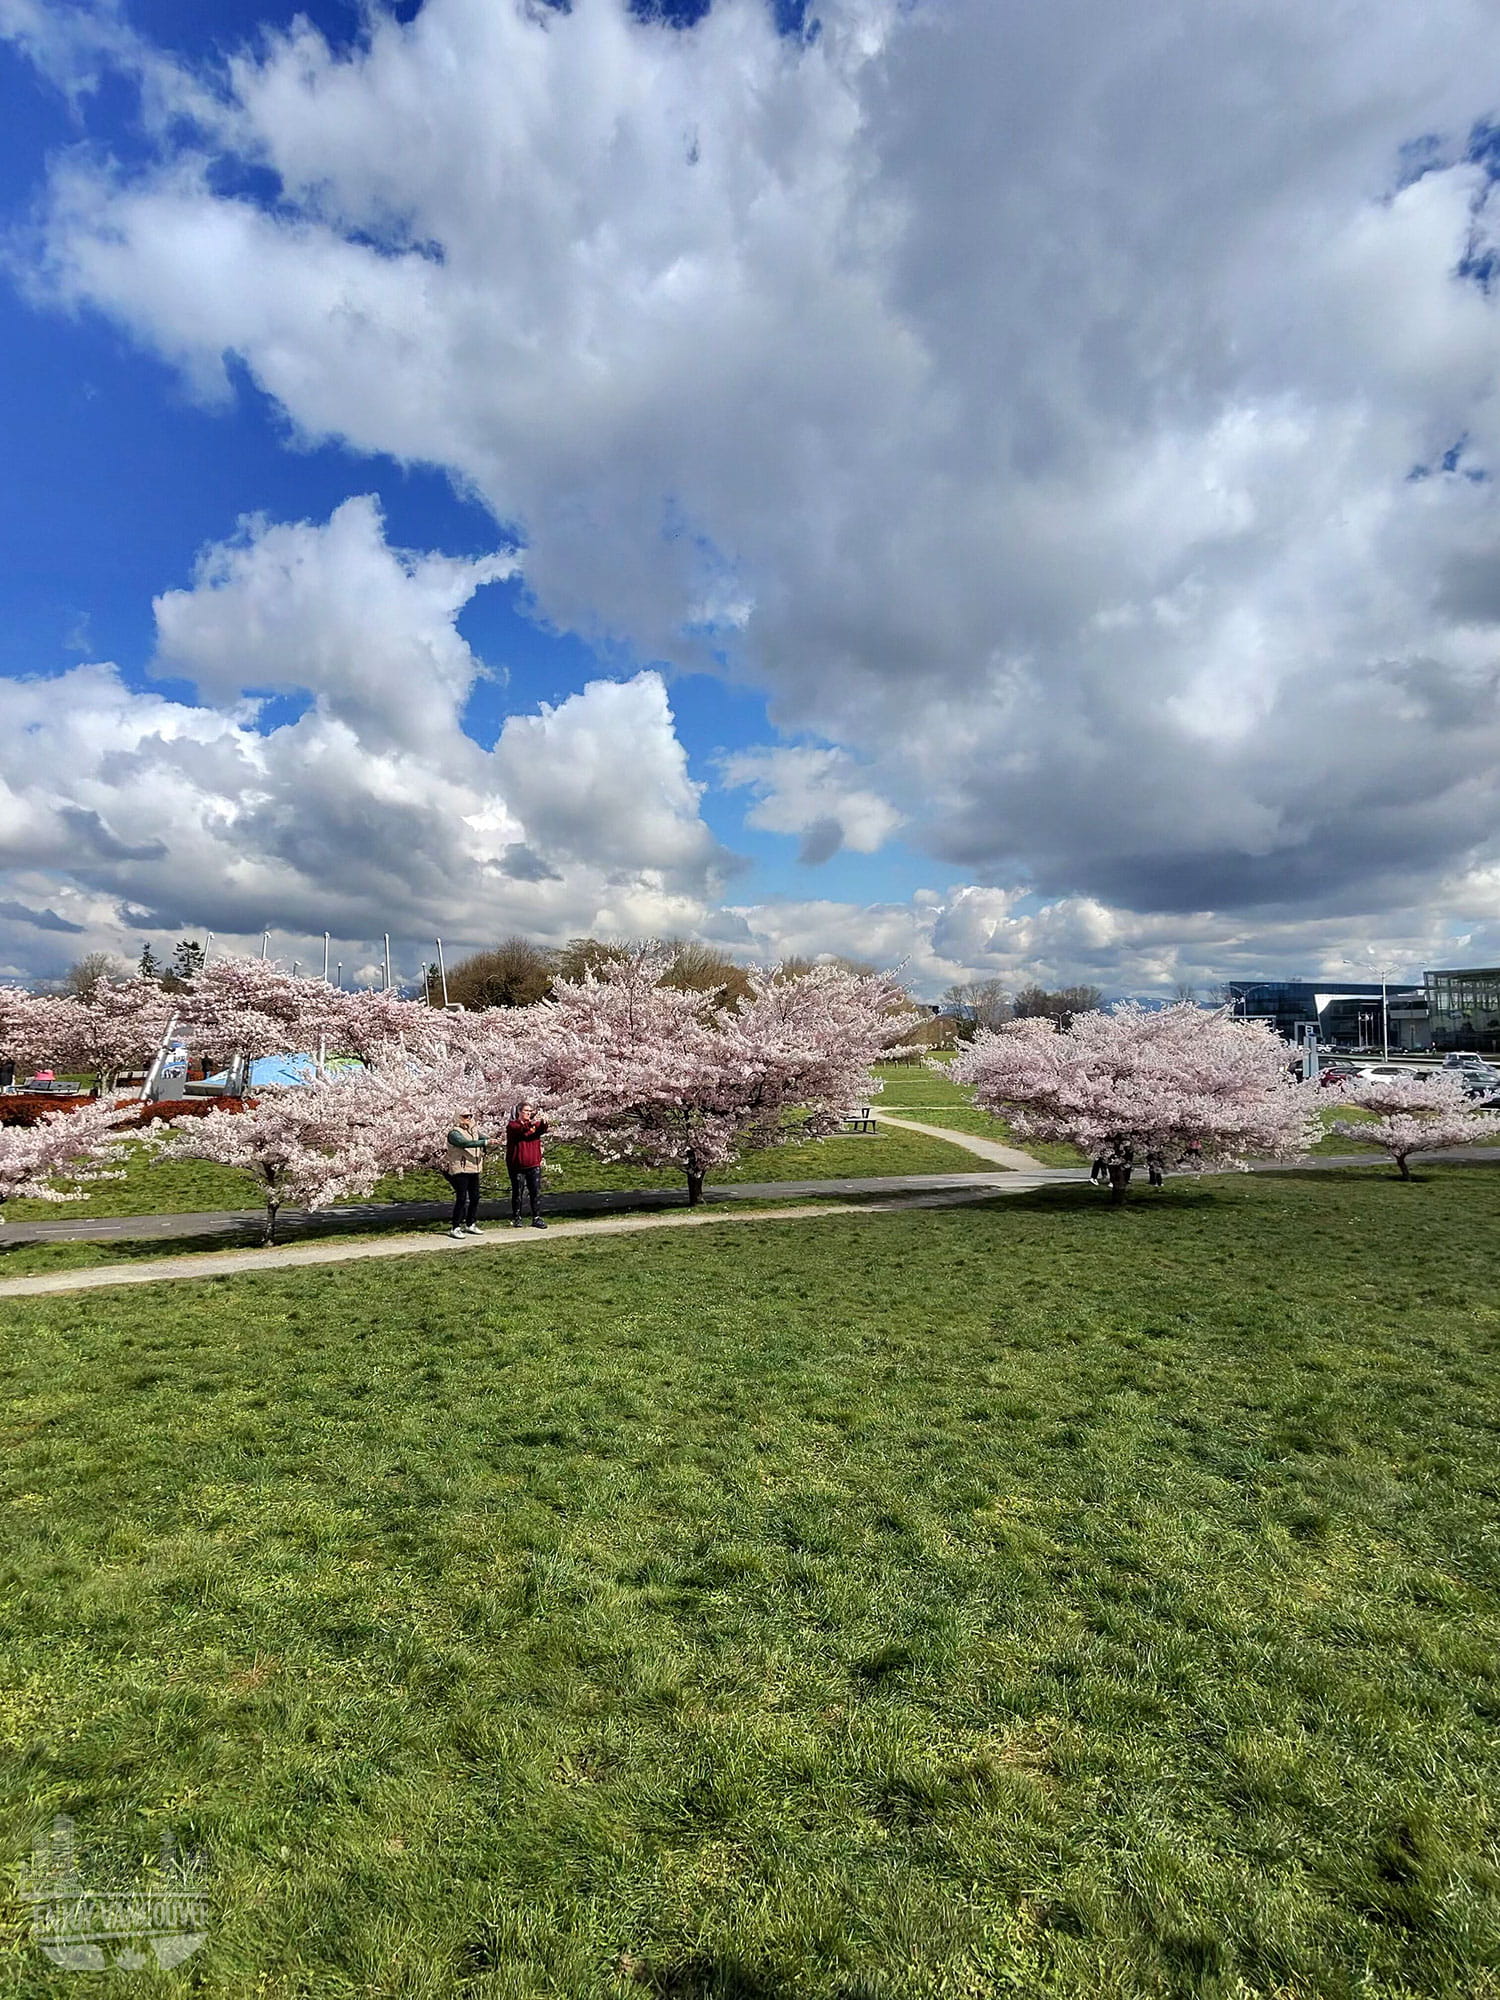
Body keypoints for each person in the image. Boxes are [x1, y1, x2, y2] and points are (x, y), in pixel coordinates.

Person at [443, 1111, 489, 1238]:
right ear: (458, 1117)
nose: (468, 1118)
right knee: (461, 1198)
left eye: (470, 1116)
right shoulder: (454, 1133)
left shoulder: (473, 1130)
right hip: (461, 1169)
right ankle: (455, 1227)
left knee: (475, 1197)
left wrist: (491, 1140)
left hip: (474, 1167)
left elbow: (483, 1138)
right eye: (465, 1116)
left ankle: (471, 1223)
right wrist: (484, 1143)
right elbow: (464, 1143)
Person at [506, 1100, 549, 1228]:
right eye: (526, 1111)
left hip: (533, 1164)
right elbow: (522, 1129)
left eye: (530, 1112)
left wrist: (544, 1123)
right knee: (517, 1192)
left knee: (535, 1191)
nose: (528, 1114)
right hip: (517, 1165)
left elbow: (541, 1129)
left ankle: (536, 1217)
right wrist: (533, 1124)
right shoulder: (513, 1125)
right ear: (519, 1112)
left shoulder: (533, 1127)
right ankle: (517, 1217)